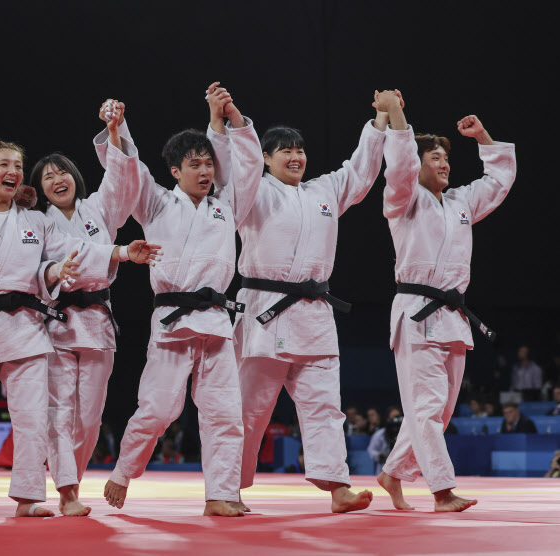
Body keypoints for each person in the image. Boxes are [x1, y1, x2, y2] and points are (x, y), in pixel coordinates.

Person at [0, 134, 157, 518]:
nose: (13, 171)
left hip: (28, 327)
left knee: (33, 418)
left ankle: (29, 497)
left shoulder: (34, 221)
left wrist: (118, 253)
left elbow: (63, 254)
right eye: (4, 165)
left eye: (18, 165)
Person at [227, 90, 397, 514]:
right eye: (285, 150)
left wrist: (379, 121)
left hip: (315, 313)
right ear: (265, 159)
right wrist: (233, 122)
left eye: (300, 150)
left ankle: (338, 487)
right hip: (264, 311)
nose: (295, 156)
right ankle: (227, 488)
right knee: (249, 411)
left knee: (325, 407)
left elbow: (359, 171)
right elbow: (240, 168)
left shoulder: (324, 192)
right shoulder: (252, 193)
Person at [102, 82, 264, 517]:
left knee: (226, 415)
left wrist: (227, 119)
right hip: (173, 320)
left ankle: (220, 495)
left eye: (208, 163)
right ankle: (123, 471)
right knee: (159, 410)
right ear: (175, 171)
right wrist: (119, 131)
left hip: (215, 321)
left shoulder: (227, 204)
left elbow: (245, 169)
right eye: (194, 165)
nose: (205, 171)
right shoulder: (156, 204)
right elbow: (131, 173)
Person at [375, 93, 517, 512]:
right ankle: (442, 491)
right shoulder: (403, 200)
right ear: (416, 165)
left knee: (439, 412)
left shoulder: (458, 204)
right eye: (433, 157)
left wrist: (483, 138)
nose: (443, 163)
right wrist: (396, 114)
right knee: (426, 406)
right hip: (416, 314)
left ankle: (393, 472)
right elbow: (398, 167)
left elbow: (497, 183)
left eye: (445, 158)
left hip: (453, 316)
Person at [29, 100, 150, 516]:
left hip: (97, 323)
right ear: (41, 190)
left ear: (74, 176)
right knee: (59, 412)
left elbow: (122, 182)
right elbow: (66, 255)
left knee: (90, 419)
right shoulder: (39, 223)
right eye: (47, 177)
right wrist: (118, 253)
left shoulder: (98, 209)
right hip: (58, 323)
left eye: (61, 171)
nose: (56, 179)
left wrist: (116, 130)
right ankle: (67, 493)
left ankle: (72, 482)